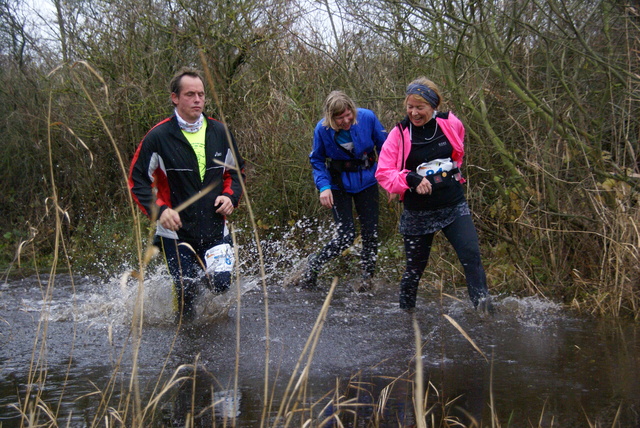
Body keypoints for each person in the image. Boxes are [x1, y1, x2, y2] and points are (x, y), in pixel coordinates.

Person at [129, 67, 245, 321]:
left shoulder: (220, 132)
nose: (197, 100)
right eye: (190, 94)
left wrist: (230, 197)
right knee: (187, 295)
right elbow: (137, 181)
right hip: (176, 232)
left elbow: (236, 173)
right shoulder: (158, 137)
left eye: (201, 94)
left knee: (222, 285)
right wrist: (160, 211)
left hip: (215, 227)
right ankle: (185, 352)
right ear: (175, 98)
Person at [375, 77, 493, 312]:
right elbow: (384, 173)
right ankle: (406, 319)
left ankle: (487, 315)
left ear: (433, 106)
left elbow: (457, 153)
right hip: (418, 213)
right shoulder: (399, 135)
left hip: (452, 204)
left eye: (420, 107)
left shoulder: (451, 123)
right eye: (410, 107)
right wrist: (410, 179)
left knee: (472, 259)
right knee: (414, 271)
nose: (414, 113)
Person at [288, 90, 388, 291]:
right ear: (330, 118)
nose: (345, 120)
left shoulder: (367, 117)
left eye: (348, 114)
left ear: (352, 109)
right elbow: (317, 159)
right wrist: (324, 187)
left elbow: (386, 147)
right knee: (345, 235)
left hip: (367, 180)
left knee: (371, 233)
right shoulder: (322, 130)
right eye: (339, 118)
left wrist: (387, 178)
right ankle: (313, 266)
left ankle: (366, 281)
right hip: (338, 184)